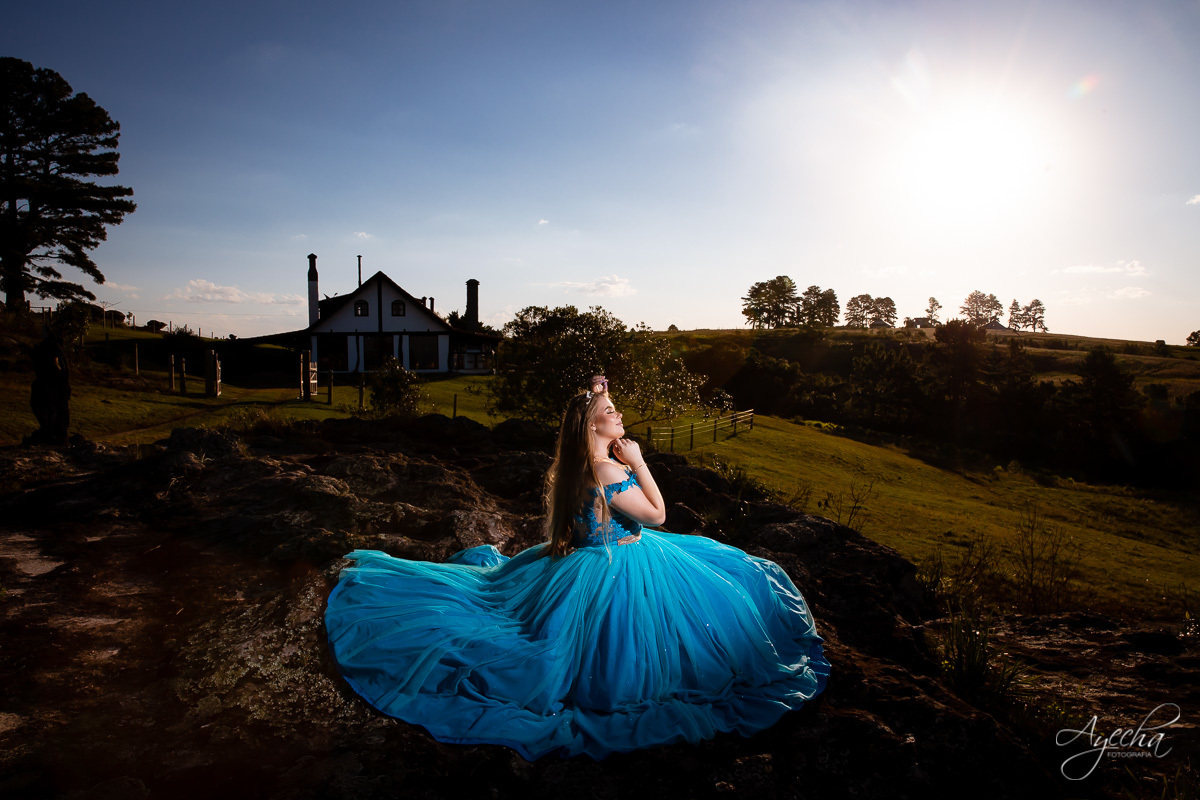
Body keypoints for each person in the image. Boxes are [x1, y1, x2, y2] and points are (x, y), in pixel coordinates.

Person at [324, 376, 830, 760]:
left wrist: (596, 390)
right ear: (594, 426)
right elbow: (656, 516)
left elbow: (595, 440)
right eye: (612, 411)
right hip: (621, 563)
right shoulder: (610, 467)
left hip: (582, 560)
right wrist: (638, 460)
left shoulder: (576, 463)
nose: (621, 414)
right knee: (722, 600)